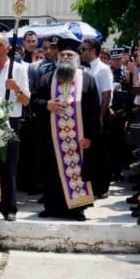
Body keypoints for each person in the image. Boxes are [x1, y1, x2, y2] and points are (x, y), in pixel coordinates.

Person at [32, 38, 100, 220]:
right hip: (52, 139)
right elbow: (34, 101)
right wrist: (47, 105)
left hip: (79, 140)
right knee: (51, 172)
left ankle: (76, 209)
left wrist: (89, 136)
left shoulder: (87, 80)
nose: (65, 58)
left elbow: (94, 110)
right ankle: (51, 207)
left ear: (76, 57)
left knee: (76, 173)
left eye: (69, 55)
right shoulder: (46, 79)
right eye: (62, 55)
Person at [0, 32, 30, 221]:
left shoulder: (18, 69)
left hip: (10, 120)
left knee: (8, 165)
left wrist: (16, 88)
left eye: (0, 45)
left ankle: (9, 207)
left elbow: (26, 101)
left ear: (8, 48)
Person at [79, 37, 113, 198]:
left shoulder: (103, 69)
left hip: (99, 114)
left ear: (93, 50)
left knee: (101, 152)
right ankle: (90, 185)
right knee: (90, 152)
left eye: (84, 49)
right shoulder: (83, 69)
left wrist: (100, 116)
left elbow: (106, 94)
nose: (82, 52)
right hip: (88, 116)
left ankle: (102, 187)